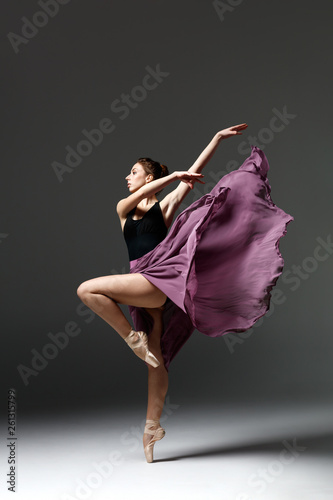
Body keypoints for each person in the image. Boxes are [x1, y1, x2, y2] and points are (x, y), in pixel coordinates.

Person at [77, 123, 294, 463]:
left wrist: (215, 140)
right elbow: (162, 185)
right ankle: (152, 429)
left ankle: (132, 340)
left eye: (133, 172)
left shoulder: (163, 210)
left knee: (87, 289)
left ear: (147, 177)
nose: (127, 177)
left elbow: (192, 175)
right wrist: (174, 177)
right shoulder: (124, 208)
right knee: (157, 362)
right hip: (142, 285)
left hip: (157, 279)